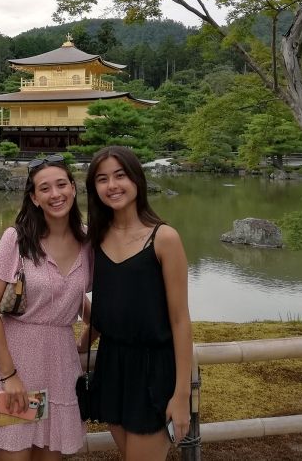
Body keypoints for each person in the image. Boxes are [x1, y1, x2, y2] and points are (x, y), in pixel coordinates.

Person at [0, 154, 93, 460]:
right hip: (19, 364)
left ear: (74, 188)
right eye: (45, 188)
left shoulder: (88, 241)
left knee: (49, 455)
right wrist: (9, 375)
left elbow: (75, 295)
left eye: (62, 184)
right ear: (34, 198)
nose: (56, 194)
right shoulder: (16, 239)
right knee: (15, 453)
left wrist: (89, 333)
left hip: (61, 366)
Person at [84, 146, 193, 460]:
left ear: (137, 180)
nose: (112, 185)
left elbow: (180, 320)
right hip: (111, 364)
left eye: (120, 175)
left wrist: (181, 394)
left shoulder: (163, 238)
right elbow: (69, 284)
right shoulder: (96, 238)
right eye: (102, 179)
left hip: (153, 369)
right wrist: (86, 334)